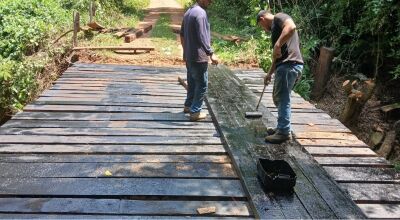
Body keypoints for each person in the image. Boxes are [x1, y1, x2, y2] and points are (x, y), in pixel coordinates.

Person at [256, 10, 304, 144]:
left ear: (262, 19)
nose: (264, 29)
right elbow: (276, 56)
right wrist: (270, 73)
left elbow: (291, 27)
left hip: (289, 65)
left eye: (261, 26)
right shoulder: (276, 30)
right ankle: (281, 127)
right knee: (279, 98)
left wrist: (277, 44)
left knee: (282, 98)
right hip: (285, 66)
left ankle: (284, 132)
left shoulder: (279, 17)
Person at [180, 0, 219, 121]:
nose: (211, 2)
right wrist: (211, 53)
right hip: (198, 57)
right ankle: (195, 112)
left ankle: (188, 105)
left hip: (189, 56)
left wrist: (185, 51)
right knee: (202, 85)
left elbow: (181, 34)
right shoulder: (201, 13)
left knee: (192, 82)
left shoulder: (188, 12)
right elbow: (203, 36)